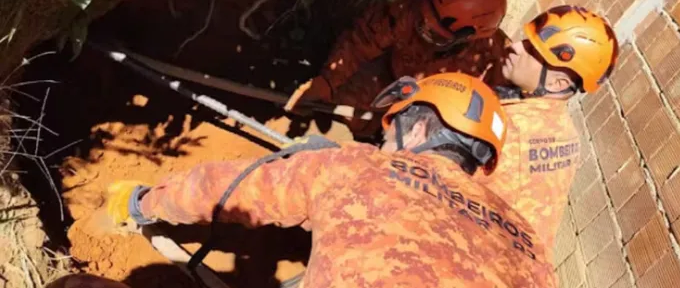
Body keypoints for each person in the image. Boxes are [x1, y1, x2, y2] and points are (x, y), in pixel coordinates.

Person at [62, 73, 555, 288]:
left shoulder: (360, 166)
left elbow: (231, 190)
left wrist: (141, 203)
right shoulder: (531, 244)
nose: (383, 141)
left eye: (391, 130)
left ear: (421, 128)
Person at [290, 0, 512, 138]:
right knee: (346, 105)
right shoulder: (409, 9)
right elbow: (362, 41)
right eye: (422, 22)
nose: (423, 31)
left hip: (435, 116)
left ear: (470, 37)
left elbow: (499, 111)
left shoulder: (495, 57)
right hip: (391, 81)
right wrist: (327, 82)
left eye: (435, 35)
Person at [476, 5, 619, 263]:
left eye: (532, 51)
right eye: (526, 42)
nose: (516, 47)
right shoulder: (564, 131)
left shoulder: (507, 130)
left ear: (557, 83)